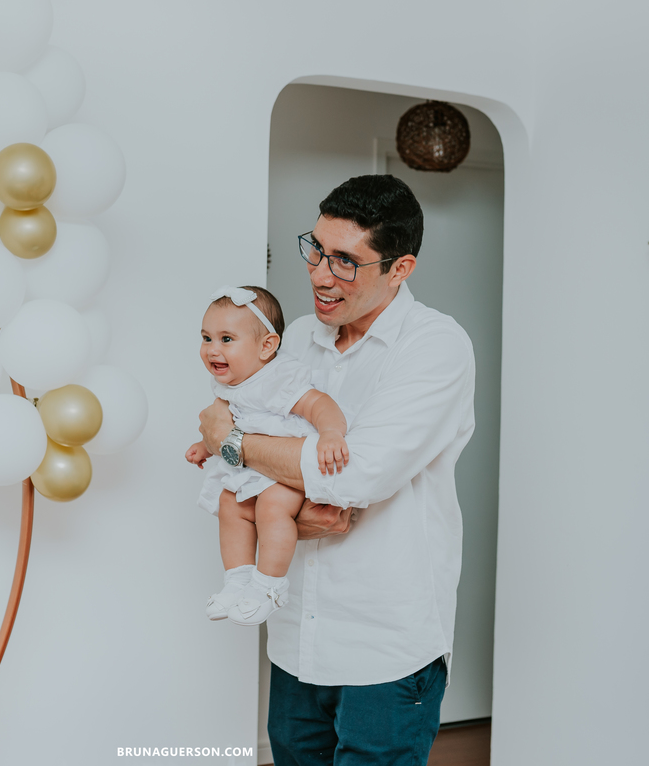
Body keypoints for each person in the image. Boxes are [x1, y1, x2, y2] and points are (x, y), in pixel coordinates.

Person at [197, 175, 476, 765]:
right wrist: (289, 502)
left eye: (345, 261)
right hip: (296, 639)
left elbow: (356, 476)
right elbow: (233, 428)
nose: (320, 275)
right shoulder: (295, 337)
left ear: (400, 269)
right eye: (317, 250)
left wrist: (235, 444)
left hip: (386, 646)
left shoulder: (435, 347)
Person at [184, 285, 350, 626]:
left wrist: (331, 433)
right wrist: (206, 444)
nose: (212, 349)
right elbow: (229, 423)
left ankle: (269, 586)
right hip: (251, 468)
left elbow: (318, 404)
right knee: (230, 503)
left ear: (267, 346)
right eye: (206, 338)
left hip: (283, 470)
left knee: (271, 507)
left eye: (226, 339)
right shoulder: (233, 381)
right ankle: (237, 580)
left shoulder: (279, 377)